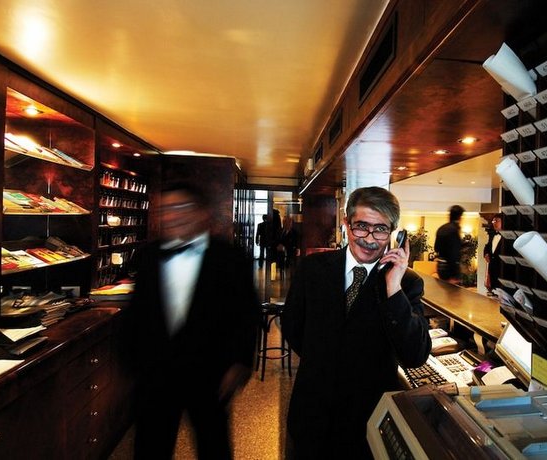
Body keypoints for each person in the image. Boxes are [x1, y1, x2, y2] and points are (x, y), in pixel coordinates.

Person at [282, 186, 431, 459]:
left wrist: (393, 289)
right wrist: (325, 360)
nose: (369, 239)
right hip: (312, 415)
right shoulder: (312, 269)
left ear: (394, 233)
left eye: (380, 229)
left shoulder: (406, 283)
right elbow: (293, 327)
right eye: (361, 226)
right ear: (346, 223)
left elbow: (415, 355)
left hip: (368, 426)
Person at [122, 182, 259, 460]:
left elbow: (247, 313)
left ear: (201, 212)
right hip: (155, 376)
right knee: (150, 448)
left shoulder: (230, 258)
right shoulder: (148, 256)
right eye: (166, 209)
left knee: (213, 447)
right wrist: (133, 364)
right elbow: (137, 314)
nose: (174, 215)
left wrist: (240, 362)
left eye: (182, 207)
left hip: (209, 375)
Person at [434, 204, 465, 283]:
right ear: (460, 217)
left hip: (440, 265)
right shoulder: (454, 230)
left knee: (444, 288)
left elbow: (436, 248)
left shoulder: (441, 228)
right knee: (452, 289)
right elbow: (454, 252)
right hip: (449, 267)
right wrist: (455, 272)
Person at [484, 214, 503, 292]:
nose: (494, 223)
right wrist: (486, 254)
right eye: (493, 221)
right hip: (492, 269)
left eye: (497, 221)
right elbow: (487, 246)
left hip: (501, 269)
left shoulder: (507, 237)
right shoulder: (492, 234)